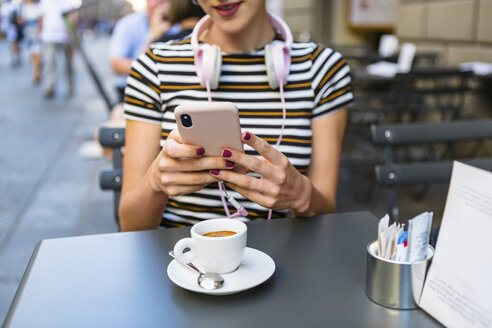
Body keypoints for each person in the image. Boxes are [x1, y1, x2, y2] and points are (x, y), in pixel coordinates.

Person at [120, 0, 353, 231]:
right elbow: (131, 224)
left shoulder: (322, 70)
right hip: (182, 257)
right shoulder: (154, 68)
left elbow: (326, 217)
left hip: (283, 255)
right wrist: (155, 182)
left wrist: (302, 195)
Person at [108, 0, 177, 103]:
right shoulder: (128, 24)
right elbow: (116, 65)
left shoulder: (178, 26)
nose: (157, 5)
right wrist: (153, 36)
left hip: (168, 91)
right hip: (131, 90)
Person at [38, 0, 78, 98]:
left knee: (67, 63)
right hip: (49, 35)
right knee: (49, 62)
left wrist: (70, 29)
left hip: (64, 36)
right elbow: (42, 17)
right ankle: (50, 87)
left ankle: (70, 86)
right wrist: (39, 31)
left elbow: (73, 14)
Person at [21, 0, 42, 84]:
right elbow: (22, 19)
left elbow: (41, 20)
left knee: (37, 51)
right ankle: (36, 70)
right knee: (32, 52)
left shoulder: (38, 6)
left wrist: (39, 31)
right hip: (28, 31)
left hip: (36, 31)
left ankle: (36, 71)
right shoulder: (24, 7)